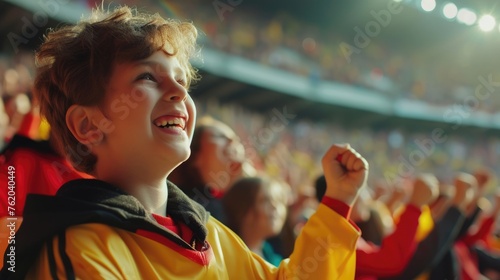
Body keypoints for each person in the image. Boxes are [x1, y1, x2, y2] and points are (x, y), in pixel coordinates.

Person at [0, 6, 369, 279]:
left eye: (181, 80)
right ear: (88, 124)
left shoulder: (210, 234)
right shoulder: (82, 249)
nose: (179, 91)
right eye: (147, 77)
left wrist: (337, 202)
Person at [169, 115, 245, 222]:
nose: (232, 140)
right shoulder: (177, 203)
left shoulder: (238, 208)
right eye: (220, 136)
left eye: (237, 141)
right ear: (194, 156)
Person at [222, 176, 288, 266]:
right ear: (242, 208)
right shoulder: (220, 253)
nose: (275, 207)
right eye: (265, 200)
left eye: (280, 201)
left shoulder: (276, 262)